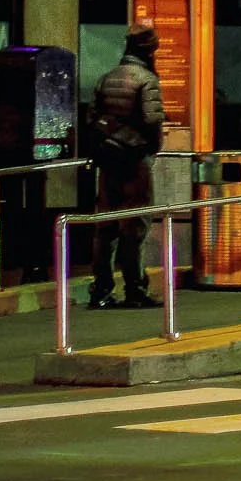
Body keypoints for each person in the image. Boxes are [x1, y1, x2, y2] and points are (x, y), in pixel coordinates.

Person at [87, 22, 165, 310]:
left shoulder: (107, 78)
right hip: (135, 161)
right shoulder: (146, 79)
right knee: (135, 226)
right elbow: (152, 121)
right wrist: (150, 150)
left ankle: (101, 290)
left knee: (104, 227)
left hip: (108, 161)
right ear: (148, 50)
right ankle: (135, 288)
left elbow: (91, 119)